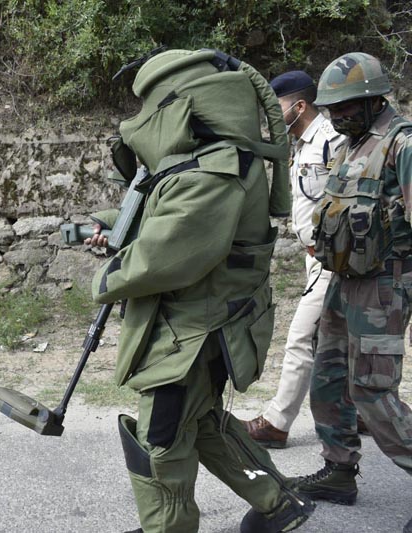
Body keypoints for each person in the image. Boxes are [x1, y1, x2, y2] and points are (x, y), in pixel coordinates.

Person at [86, 48, 314, 533]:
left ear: (183, 103)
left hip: (193, 331)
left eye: (151, 105)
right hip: (203, 323)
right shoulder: (210, 162)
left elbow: (167, 254)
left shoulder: (215, 170)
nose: (142, 118)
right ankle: (278, 502)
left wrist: (107, 278)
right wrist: (113, 225)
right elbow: (168, 216)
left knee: (162, 435)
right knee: (201, 421)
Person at [292, 52, 412, 530]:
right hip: (344, 282)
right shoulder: (349, 144)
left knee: (371, 389)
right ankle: (339, 470)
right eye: (332, 108)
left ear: (372, 100)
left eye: (345, 107)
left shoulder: (402, 144)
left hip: (384, 285)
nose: (336, 116)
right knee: (328, 374)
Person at [245, 71, 345, 448]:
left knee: (302, 337)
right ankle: (363, 413)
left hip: (333, 261)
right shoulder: (301, 144)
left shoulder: (332, 140)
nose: (274, 116)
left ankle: (277, 422)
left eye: (279, 108)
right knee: (337, 340)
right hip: (313, 259)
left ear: (299, 107)